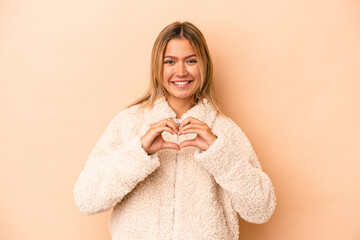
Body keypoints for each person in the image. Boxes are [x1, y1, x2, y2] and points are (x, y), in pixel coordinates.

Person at [73, 21, 276, 240]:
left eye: (191, 61)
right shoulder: (128, 123)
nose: (181, 72)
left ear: (204, 66)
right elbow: (86, 200)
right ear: (157, 67)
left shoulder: (224, 131)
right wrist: (139, 152)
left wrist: (220, 153)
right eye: (170, 61)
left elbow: (261, 210)